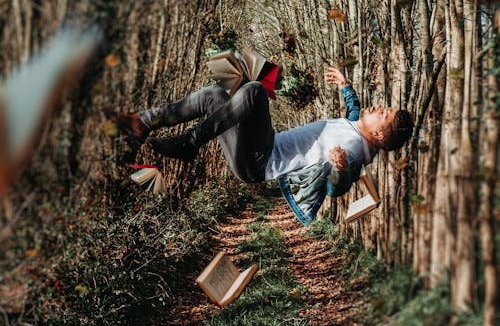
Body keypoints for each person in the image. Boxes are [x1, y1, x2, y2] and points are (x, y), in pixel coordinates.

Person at [107, 67, 413, 225]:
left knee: (254, 91)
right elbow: (354, 111)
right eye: (384, 106)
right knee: (214, 94)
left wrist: (340, 171)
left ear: (381, 138)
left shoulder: (355, 155)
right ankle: (143, 122)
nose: (379, 107)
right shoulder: (356, 127)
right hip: (262, 148)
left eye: (384, 114)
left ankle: (190, 142)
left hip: (260, 161)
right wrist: (346, 86)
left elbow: (336, 189)